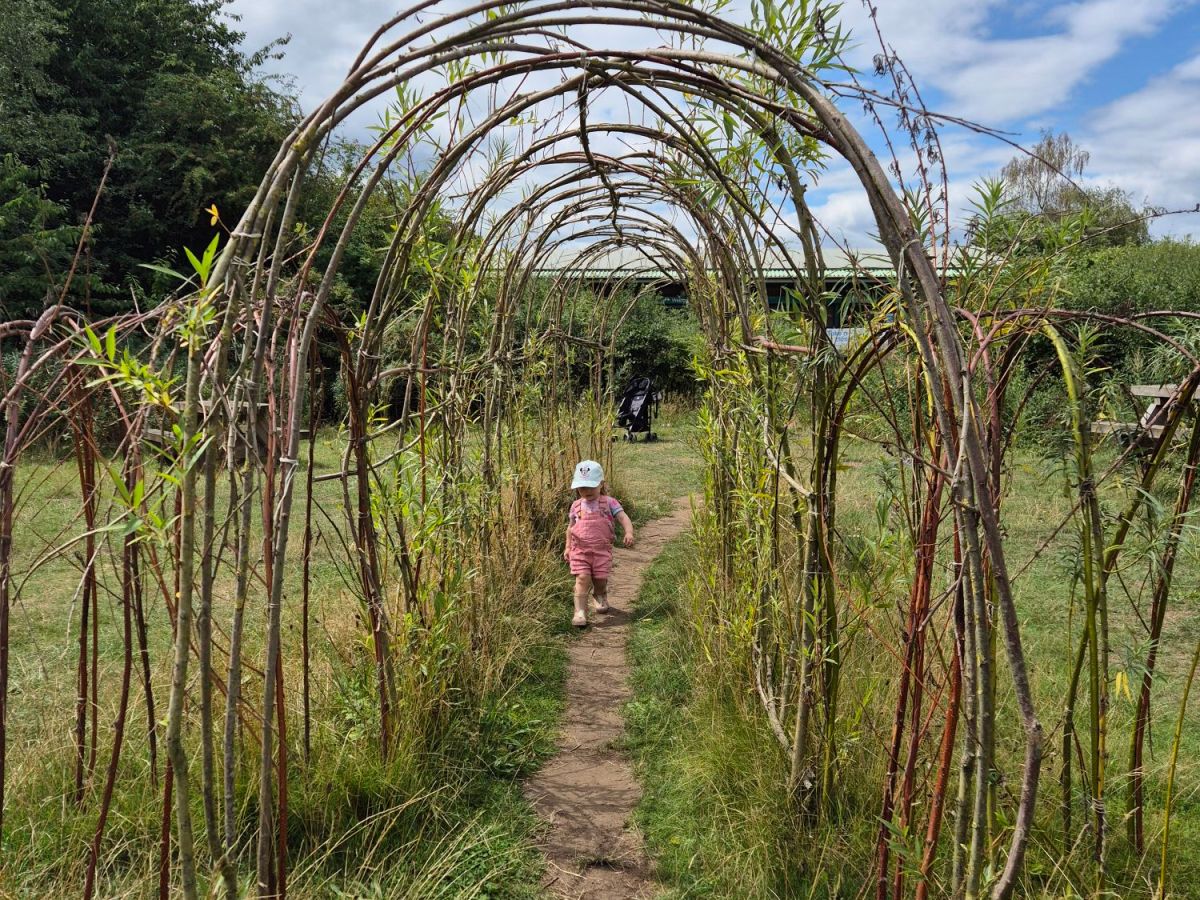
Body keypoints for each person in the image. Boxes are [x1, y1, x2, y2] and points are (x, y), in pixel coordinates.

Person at [563, 459, 634, 627]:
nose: (586, 491)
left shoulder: (609, 502)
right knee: (582, 578)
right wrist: (567, 547)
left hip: (602, 550)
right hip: (579, 550)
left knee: (600, 579)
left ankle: (600, 594)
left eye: (590, 486)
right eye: (582, 487)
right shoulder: (576, 506)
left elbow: (623, 517)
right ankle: (580, 612)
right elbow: (570, 528)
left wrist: (629, 532)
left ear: (601, 484)